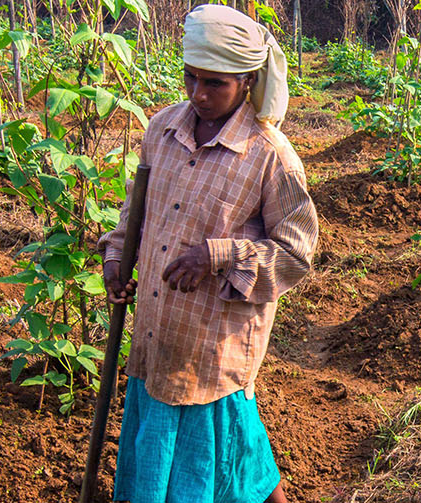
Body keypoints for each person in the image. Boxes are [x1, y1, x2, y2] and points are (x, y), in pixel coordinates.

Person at [97, 4, 316, 503]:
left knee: (235, 459)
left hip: (215, 345)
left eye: (215, 83)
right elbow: (136, 213)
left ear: (246, 81)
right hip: (159, 330)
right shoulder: (163, 129)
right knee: (163, 457)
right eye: (191, 78)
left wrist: (216, 255)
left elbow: (296, 252)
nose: (199, 94)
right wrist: (116, 260)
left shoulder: (269, 155)